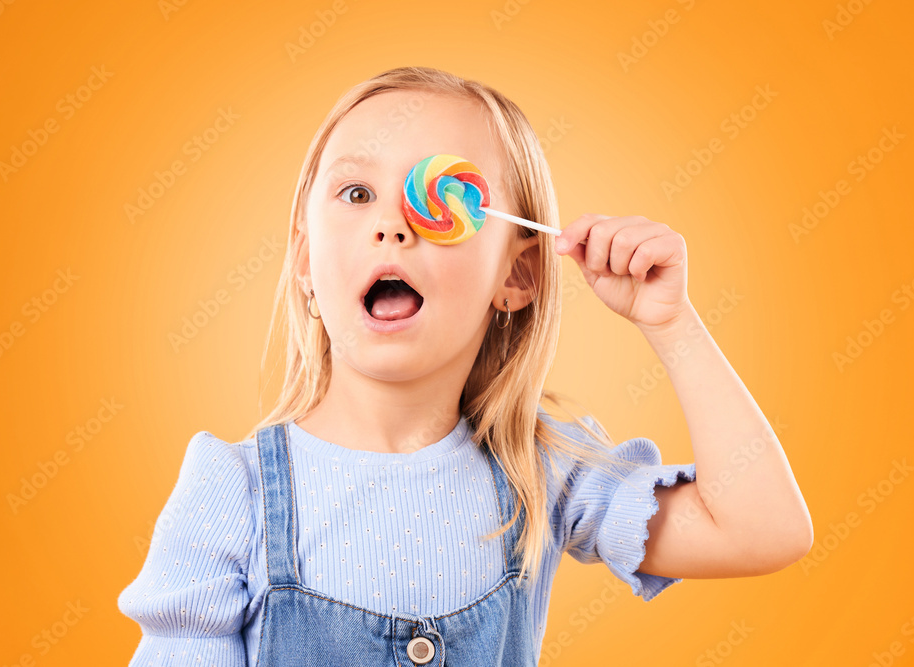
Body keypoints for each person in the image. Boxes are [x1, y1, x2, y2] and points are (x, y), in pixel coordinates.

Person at [118, 65, 813, 666]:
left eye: (448, 198)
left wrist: (671, 323)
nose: (394, 223)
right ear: (304, 260)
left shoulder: (540, 472)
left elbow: (763, 529)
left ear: (516, 273)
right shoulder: (229, 494)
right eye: (356, 194)